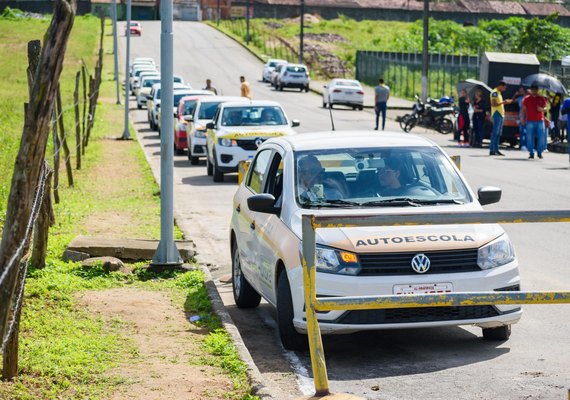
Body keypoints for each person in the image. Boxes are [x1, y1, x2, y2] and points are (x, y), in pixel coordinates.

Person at [521, 83, 547, 160]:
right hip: (530, 120)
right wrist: (522, 117)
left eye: (535, 90)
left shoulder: (541, 98)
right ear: (531, 90)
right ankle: (531, 152)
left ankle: (539, 152)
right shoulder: (527, 98)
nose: (534, 91)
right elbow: (524, 109)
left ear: (537, 90)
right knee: (529, 137)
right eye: (533, 90)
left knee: (541, 137)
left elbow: (546, 108)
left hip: (540, 120)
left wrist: (542, 109)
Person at [489, 80, 513, 156]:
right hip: (497, 114)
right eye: (504, 87)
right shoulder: (495, 92)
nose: (504, 89)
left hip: (501, 114)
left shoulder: (499, 93)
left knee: (498, 133)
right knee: (495, 133)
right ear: (500, 86)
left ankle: (496, 149)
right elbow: (493, 104)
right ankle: (492, 149)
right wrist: (504, 102)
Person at [513, 87, 528, 151]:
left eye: (521, 91)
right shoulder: (519, 98)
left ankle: (527, 145)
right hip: (521, 116)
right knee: (522, 131)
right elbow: (512, 100)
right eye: (519, 91)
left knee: (527, 132)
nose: (520, 92)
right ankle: (522, 145)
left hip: (528, 116)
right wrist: (515, 95)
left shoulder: (528, 98)